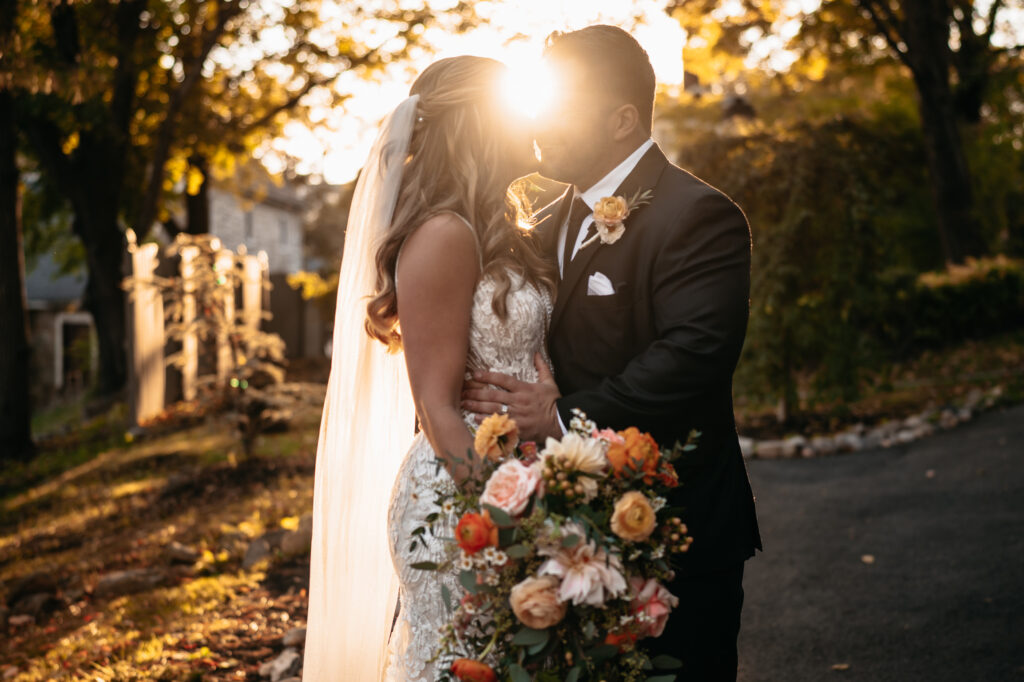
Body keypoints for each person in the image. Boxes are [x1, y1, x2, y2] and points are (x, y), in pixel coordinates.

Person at [460, 26, 763, 681]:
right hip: (567, 533)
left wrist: (564, 414)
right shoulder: (548, 217)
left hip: (675, 525)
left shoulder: (698, 214)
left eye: (558, 107)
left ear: (622, 118)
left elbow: (693, 353)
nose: (539, 122)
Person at [302, 56, 555, 681]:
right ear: (479, 125)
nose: (534, 124)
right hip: (458, 500)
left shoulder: (493, 230)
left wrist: (546, 397)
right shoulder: (445, 234)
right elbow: (436, 405)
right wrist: (502, 516)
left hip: (512, 474)